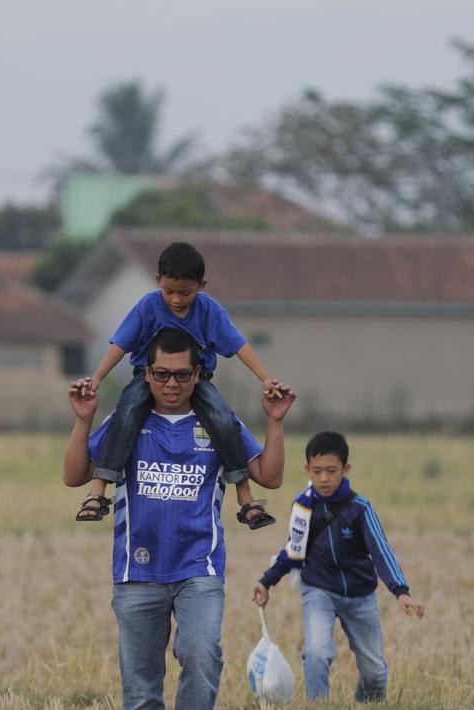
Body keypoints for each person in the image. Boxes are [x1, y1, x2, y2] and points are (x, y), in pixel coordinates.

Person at [63, 328, 296, 710]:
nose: (171, 384)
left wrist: (274, 422)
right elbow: (75, 476)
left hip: (199, 569)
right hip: (136, 573)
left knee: (203, 657)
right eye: (162, 374)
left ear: (198, 374)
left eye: (182, 374)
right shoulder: (126, 421)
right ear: (147, 373)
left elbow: (268, 477)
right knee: (141, 690)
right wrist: (83, 420)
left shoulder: (221, 423)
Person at [73, 241, 280, 530]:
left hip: (197, 381)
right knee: (126, 413)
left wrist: (265, 378)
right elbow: (121, 344)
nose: (177, 300)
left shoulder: (210, 311)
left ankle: (245, 497)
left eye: (185, 293)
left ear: (201, 286)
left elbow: (238, 345)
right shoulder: (148, 306)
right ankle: (98, 490)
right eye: (169, 291)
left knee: (223, 420)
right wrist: (96, 379)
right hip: (146, 378)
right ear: (158, 280)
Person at [252, 431, 424, 703]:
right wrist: (266, 581)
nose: (323, 478)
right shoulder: (303, 506)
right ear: (307, 469)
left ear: (345, 469)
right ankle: (318, 705)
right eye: (316, 471)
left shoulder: (360, 508)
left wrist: (400, 591)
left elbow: (381, 551)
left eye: (331, 471)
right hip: (318, 590)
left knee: (375, 672)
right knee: (316, 653)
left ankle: (367, 704)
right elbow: (294, 551)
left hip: (360, 595)